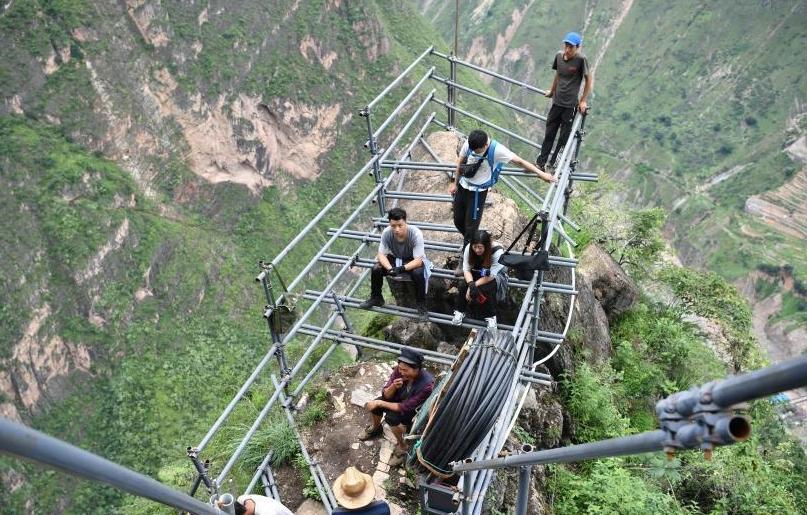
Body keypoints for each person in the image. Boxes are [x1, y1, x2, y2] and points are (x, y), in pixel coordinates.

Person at [449, 129, 555, 247]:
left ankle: (469, 254)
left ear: (485, 145)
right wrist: (455, 182)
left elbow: (519, 161)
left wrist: (541, 174)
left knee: (471, 228)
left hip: (478, 193)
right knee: (458, 221)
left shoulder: (497, 150)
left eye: (478, 151)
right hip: (463, 186)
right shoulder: (470, 143)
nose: (474, 152)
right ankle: (476, 242)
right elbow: (460, 162)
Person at [359, 348, 434, 467]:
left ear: (417, 369)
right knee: (376, 405)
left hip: (411, 412)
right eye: (400, 368)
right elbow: (386, 394)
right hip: (397, 400)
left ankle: (403, 446)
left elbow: (405, 407)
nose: (402, 372)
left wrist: (380, 403)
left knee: (391, 417)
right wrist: (394, 386)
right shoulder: (399, 372)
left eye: (405, 370)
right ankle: (376, 428)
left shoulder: (426, 385)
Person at [536, 31, 593, 171]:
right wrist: (551, 91)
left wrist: (583, 100)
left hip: (570, 106)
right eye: (566, 45)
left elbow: (588, 80)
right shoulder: (558, 56)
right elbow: (558, 75)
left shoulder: (581, 60)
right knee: (549, 133)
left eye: (571, 47)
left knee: (563, 137)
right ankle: (540, 163)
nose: (567, 49)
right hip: (556, 102)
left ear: (577, 47)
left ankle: (553, 164)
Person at [359, 207, 430, 318]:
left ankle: (421, 305)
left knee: (418, 273)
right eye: (393, 226)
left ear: (405, 222)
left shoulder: (415, 234)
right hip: (395, 257)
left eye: (400, 225)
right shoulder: (387, 233)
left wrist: (400, 269)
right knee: (376, 269)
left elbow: (419, 261)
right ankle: (376, 297)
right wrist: (389, 268)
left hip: (412, 259)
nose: (396, 229)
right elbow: (381, 254)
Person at [451, 231, 505, 331]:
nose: (477, 250)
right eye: (475, 247)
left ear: (486, 246)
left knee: (485, 289)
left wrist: (473, 286)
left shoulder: (497, 252)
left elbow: (492, 276)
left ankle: (491, 316)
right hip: (476, 272)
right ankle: (460, 310)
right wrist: (471, 285)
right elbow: (466, 270)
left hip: (494, 276)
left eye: (480, 247)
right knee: (463, 285)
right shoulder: (469, 248)